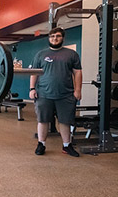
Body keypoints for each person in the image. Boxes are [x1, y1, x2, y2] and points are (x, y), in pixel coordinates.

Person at [29, 27, 83, 157]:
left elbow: (77, 72)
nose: (55, 38)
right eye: (52, 36)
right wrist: (32, 88)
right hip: (44, 94)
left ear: (62, 38)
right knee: (43, 120)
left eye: (58, 36)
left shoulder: (71, 54)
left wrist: (78, 90)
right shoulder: (40, 54)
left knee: (65, 121)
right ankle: (41, 144)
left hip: (65, 94)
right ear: (49, 38)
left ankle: (67, 145)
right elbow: (34, 73)